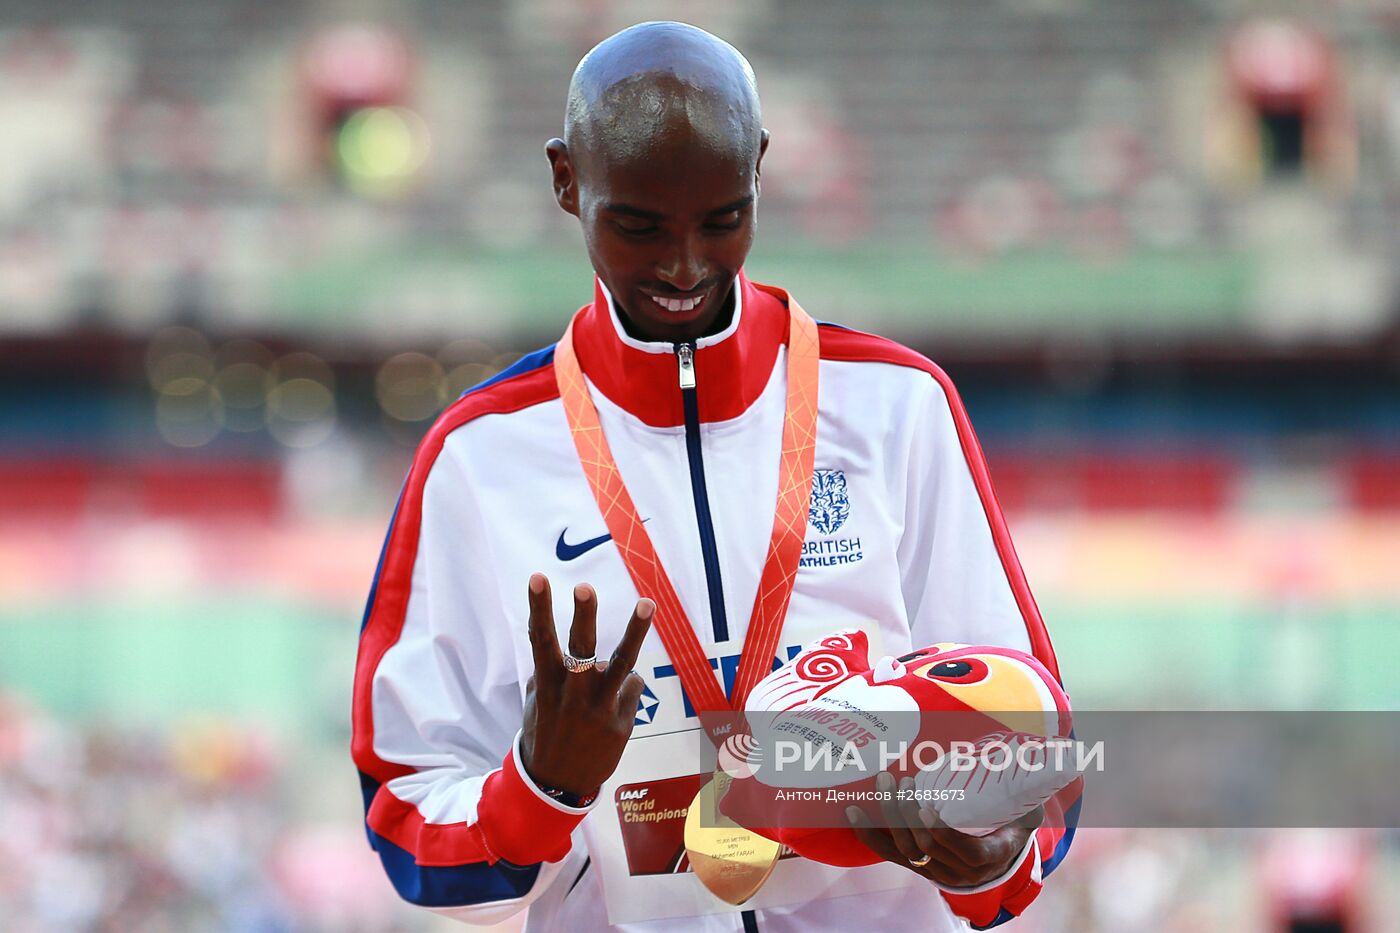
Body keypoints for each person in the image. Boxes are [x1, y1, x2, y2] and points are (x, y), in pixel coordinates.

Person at [352, 21, 1075, 932]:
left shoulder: (899, 407)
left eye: (724, 219)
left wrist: (993, 859)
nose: (686, 265)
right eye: (639, 224)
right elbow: (406, 820)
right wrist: (539, 787)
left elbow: (1035, 736)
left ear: (761, 170)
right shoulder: (478, 458)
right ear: (567, 182)